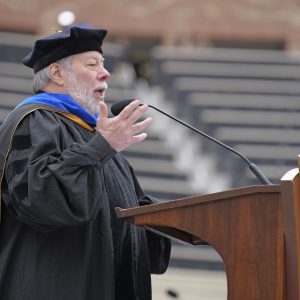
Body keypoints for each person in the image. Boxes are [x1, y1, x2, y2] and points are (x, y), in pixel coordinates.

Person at [0, 26, 171, 300]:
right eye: (92, 64)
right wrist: (102, 146)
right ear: (57, 73)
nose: (105, 73)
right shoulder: (35, 120)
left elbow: (129, 214)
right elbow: (44, 199)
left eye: (103, 64)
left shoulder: (98, 138)